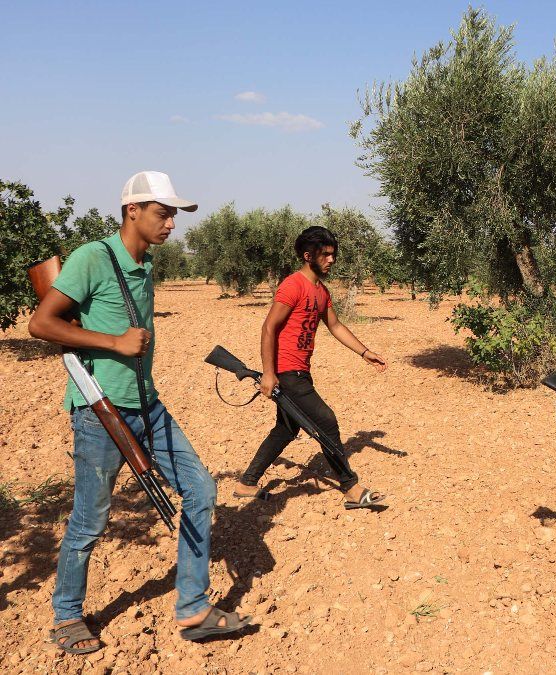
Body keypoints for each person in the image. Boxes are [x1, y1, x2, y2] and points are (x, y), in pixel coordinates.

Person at [29, 171, 249, 654]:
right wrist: (112, 341)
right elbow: (41, 323)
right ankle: (67, 616)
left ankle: (192, 605)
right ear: (133, 211)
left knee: (200, 489)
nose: (172, 222)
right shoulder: (92, 257)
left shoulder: (145, 263)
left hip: (147, 405)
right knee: (91, 518)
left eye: (173, 214)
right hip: (99, 410)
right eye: (163, 212)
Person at [232, 225, 388, 508]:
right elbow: (269, 327)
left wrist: (364, 352)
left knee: (286, 430)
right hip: (287, 371)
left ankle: (246, 483)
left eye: (333, 254)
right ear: (308, 255)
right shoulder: (293, 285)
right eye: (326, 255)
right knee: (326, 421)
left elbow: (336, 325)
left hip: (301, 370)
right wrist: (269, 373)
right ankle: (351, 488)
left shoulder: (321, 291)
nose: (332, 260)